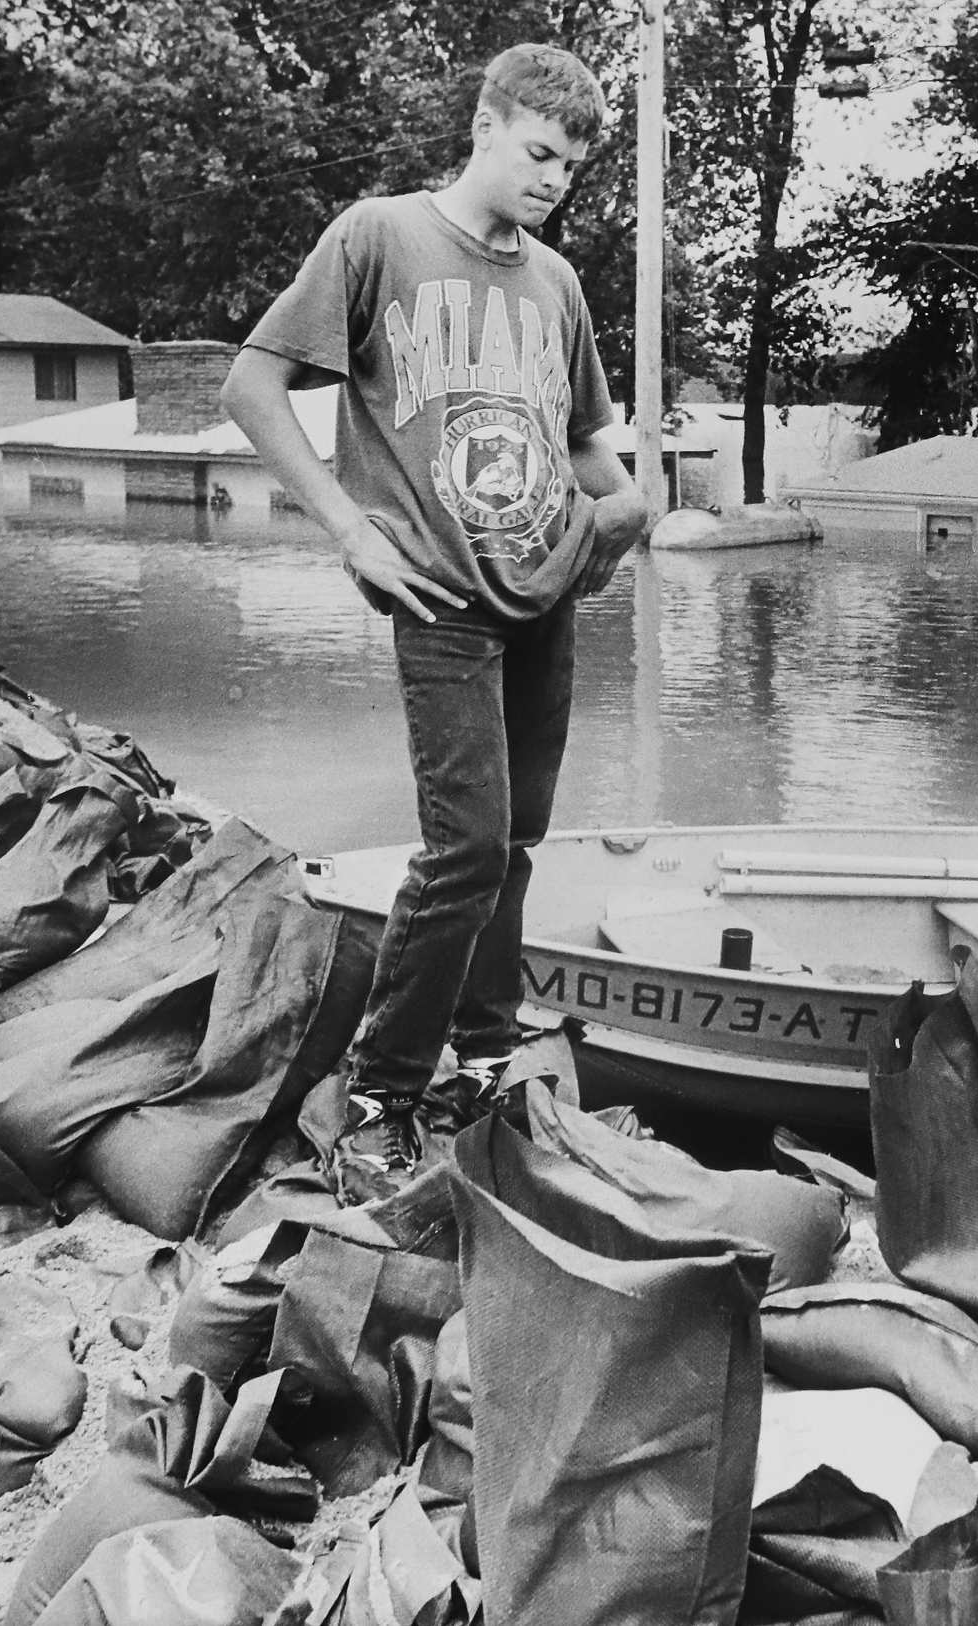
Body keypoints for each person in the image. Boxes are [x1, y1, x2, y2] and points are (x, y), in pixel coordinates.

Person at [223, 43, 646, 1202]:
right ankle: (379, 1094)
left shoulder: (555, 283)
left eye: (571, 166)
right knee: (463, 848)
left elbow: (582, 445)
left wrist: (628, 503)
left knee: (513, 846)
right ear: (486, 124)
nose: (554, 180)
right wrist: (351, 531)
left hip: (543, 592)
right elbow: (250, 388)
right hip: (441, 596)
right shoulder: (377, 235)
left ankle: (480, 1051)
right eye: (538, 153)